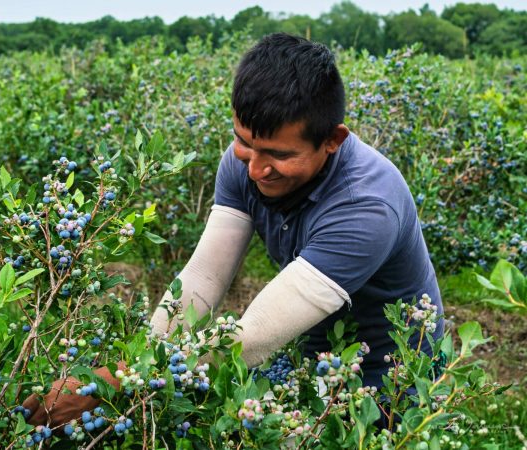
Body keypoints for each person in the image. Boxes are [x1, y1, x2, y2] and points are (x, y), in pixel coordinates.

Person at [25, 32, 444, 426]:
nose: (257, 169)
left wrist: (113, 381)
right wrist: (137, 361)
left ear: (332, 140)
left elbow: (254, 339)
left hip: (389, 382)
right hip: (313, 359)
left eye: (278, 155)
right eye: (245, 142)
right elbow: (204, 277)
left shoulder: (367, 206)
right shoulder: (243, 161)